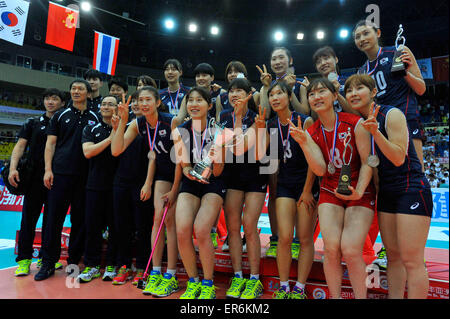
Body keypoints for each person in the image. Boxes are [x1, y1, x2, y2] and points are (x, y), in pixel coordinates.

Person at [344, 73, 433, 299]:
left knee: (412, 260)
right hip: (387, 192)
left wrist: (376, 133)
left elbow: (398, 158)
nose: (353, 93)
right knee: (392, 257)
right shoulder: (361, 126)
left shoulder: (391, 114)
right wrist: (359, 192)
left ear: (374, 92)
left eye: (359, 88)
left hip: (410, 188)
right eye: (349, 90)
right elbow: (369, 163)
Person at [298, 78, 376, 298]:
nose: (316, 97)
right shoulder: (311, 131)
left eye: (322, 91)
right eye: (312, 94)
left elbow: (368, 159)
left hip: (359, 191)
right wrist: (304, 143)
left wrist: (359, 190)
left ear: (334, 96)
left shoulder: (354, 123)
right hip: (330, 190)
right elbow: (321, 170)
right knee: (331, 250)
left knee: (351, 250)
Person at [111, 86, 182, 297]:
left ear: (158, 102)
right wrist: (123, 121)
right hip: (161, 174)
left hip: (180, 173)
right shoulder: (138, 123)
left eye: (148, 100)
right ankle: (156, 272)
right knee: (158, 219)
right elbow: (116, 150)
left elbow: (181, 159)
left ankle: (170, 275)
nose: (143, 104)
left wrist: (176, 190)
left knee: (169, 220)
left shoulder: (172, 121)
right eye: (140, 100)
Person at [255, 81, 319, 299]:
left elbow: (313, 159)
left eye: (279, 93)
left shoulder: (305, 120)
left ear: (289, 96)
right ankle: (284, 287)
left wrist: (308, 190)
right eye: (271, 94)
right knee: (283, 237)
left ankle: (299, 288)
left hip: (306, 185)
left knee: (304, 238)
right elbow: (260, 156)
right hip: (284, 184)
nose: (274, 98)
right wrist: (260, 129)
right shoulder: (271, 125)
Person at [35, 80, 100, 281]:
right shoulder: (61, 115)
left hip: (85, 178)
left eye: (80, 89)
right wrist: (48, 170)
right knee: (53, 219)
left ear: (89, 94)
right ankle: (48, 263)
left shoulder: (95, 117)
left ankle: (73, 262)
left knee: (80, 221)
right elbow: (50, 144)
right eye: (73, 89)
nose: (76, 91)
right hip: (60, 174)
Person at [173, 87, 227, 299]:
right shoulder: (180, 131)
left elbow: (220, 170)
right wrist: (190, 173)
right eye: (190, 100)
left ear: (210, 105)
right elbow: (184, 165)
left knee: (202, 229)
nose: (193, 104)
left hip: (215, 181)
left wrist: (218, 153)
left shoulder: (220, 131)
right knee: (182, 230)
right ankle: (193, 281)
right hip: (191, 181)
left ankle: (208, 283)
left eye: (199, 100)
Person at [353, 20, 426, 171]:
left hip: (406, 118)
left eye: (366, 33)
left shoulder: (398, 51)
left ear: (378, 33)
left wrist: (404, 73)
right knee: (389, 175)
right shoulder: (361, 72)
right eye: (357, 36)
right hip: (381, 125)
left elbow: (421, 89)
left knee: (416, 171)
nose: (362, 39)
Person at [219, 78, 267, 299]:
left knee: (249, 225)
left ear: (250, 94)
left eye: (239, 90)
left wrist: (239, 122)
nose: (234, 94)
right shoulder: (222, 117)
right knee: (233, 227)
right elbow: (227, 149)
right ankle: (238, 276)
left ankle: (254, 280)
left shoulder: (259, 116)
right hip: (232, 176)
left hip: (256, 175)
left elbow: (240, 148)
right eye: (231, 91)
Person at [10, 88, 65, 277]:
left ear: (62, 103)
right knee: (28, 220)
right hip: (34, 178)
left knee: (53, 221)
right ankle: (24, 260)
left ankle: (46, 258)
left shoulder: (64, 123)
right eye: (47, 98)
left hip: (56, 178)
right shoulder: (32, 123)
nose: (50, 102)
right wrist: (12, 168)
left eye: (55, 99)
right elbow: (20, 146)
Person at [108, 91, 154, 285]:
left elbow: (154, 157)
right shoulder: (125, 126)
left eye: (142, 101)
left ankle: (142, 268)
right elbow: (115, 151)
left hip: (141, 183)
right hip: (121, 183)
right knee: (121, 227)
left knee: (143, 229)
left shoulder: (151, 127)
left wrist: (147, 183)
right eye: (135, 101)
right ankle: (124, 266)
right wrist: (119, 125)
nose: (137, 104)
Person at [77, 95, 119, 283]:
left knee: (116, 227)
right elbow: (88, 152)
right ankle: (92, 266)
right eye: (103, 104)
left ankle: (111, 265)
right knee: (93, 227)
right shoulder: (90, 128)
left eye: (110, 104)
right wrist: (110, 139)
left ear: (117, 108)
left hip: (118, 186)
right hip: (94, 185)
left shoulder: (125, 128)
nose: (106, 106)